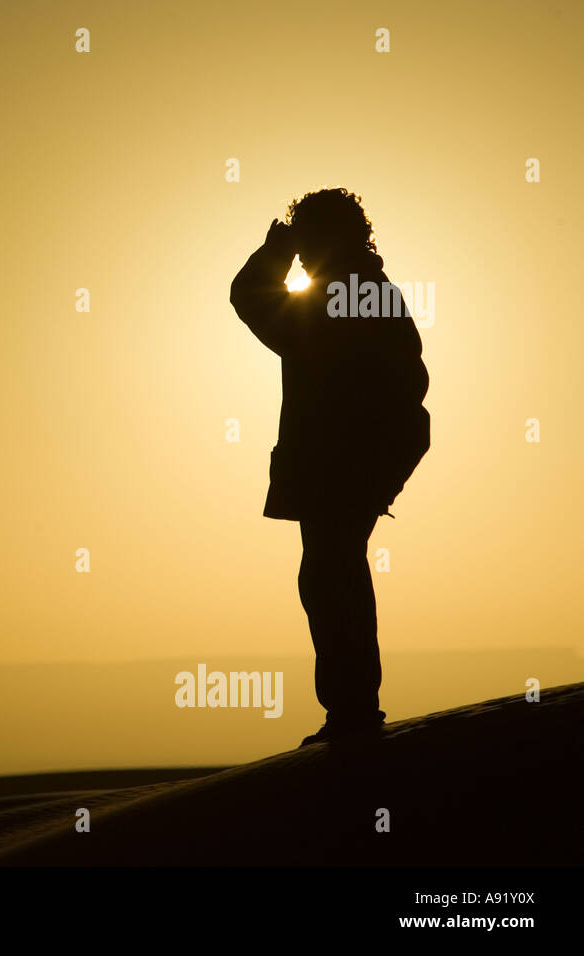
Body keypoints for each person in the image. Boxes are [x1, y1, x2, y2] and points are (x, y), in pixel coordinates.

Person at [229, 187, 430, 746]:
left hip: (342, 463)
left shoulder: (334, 299)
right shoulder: (370, 292)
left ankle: (352, 711)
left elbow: (248, 296)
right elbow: (412, 380)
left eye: (308, 236)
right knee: (332, 571)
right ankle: (352, 708)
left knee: (330, 574)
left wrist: (277, 251)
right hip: (357, 461)